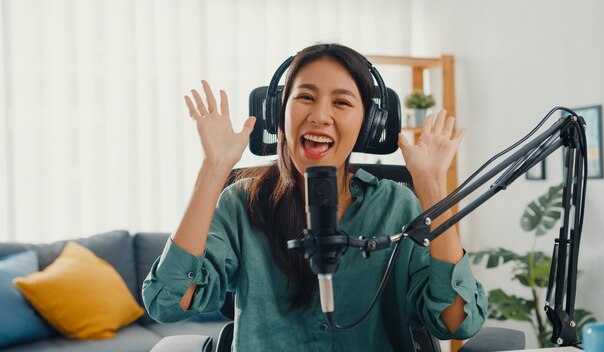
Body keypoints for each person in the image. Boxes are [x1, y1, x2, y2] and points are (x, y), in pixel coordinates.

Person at [142, 43, 487, 351]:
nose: (320, 116)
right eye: (305, 97)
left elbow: (456, 322)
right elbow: (167, 302)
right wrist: (213, 168)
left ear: (368, 124)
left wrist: (431, 186)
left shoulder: (398, 205)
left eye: (341, 102)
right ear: (279, 112)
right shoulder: (240, 203)